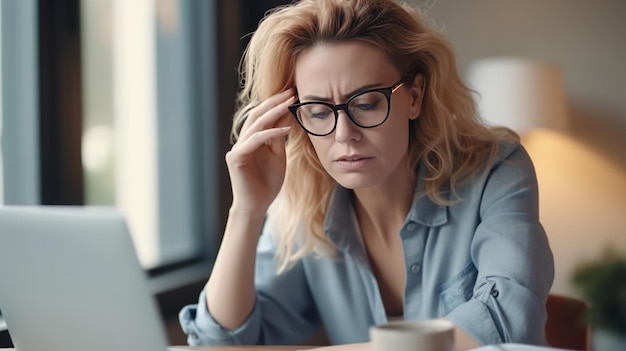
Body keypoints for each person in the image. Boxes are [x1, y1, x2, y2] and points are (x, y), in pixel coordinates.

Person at [179, 0, 554, 349]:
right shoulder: (301, 205)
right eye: (318, 111)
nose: (344, 135)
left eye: (367, 103)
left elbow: (510, 321)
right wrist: (246, 209)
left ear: (414, 95)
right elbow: (220, 343)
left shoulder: (497, 170)